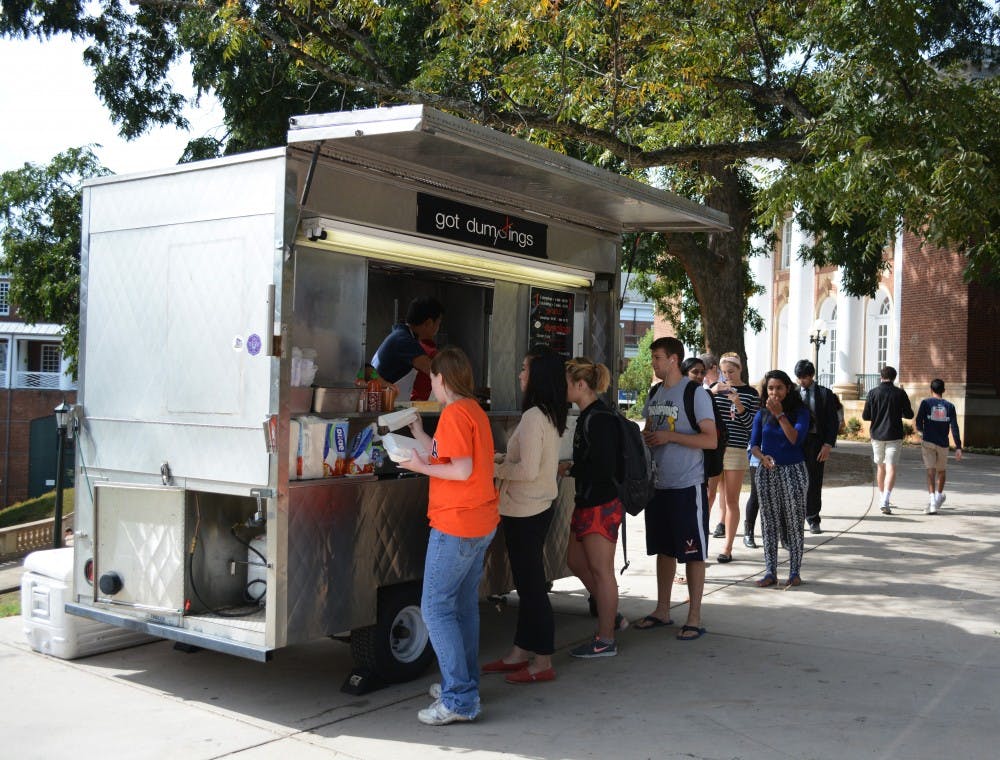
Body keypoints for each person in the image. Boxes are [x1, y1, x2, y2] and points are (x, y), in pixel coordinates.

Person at [397, 346, 498, 725]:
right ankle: (464, 684)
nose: (432, 386)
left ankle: (459, 698)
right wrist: (421, 437)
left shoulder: (456, 413)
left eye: (434, 379)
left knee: (436, 609)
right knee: (462, 607)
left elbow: (460, 471)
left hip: (456, 525)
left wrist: (417, 467)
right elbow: (448, 458)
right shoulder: (472, 411)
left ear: (442, 378)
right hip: (480, 521)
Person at [487, 346, 567, 683]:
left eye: (525, 369)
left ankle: (542, 660)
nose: (520, 374)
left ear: (538, 377)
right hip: (532, 507)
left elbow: (527, 470)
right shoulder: (546, 414)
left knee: (532, 588)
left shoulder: (535, 416)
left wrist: (495, 465)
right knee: (526, 584)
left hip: (527, 509)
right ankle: (520, 651)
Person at [634, 337, 717, 640]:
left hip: (687, 484)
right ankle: (662, 609)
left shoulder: (695, 393)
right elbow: (651, 428)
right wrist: (647, 436)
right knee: (664, 549)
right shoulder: (655, 392)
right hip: (658, 484)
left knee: (693, 552)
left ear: (673, 359)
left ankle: (694, 616)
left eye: (657, 357)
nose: (653, 362)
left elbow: (711, 439)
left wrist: (671, 437)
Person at [561, 356, 627, 658]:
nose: (563, 389)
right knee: (575, 559)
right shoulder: (590, 415)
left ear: (581, 384)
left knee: (603, 573)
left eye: (567, 384)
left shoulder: (598, 418)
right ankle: (608, 613)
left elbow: (603, 467)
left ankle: (606, 639)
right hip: (588, 501)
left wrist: (570, 469)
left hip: (601, 503)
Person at [749, 369, 810, 588]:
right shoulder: (761, 413)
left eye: (779, 388)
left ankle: (794, 571)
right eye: (770, 388)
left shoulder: (800, 412)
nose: (774, 393)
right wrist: (761, 457)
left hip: (793, 471)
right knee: (768, 522)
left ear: (788, 389)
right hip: (768, 471)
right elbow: (754, 445)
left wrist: (780, 415)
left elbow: (795, 438)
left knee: (794, 522)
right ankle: (770, 571)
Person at [793, 359, 840, 534]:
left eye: (804, 377)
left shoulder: (824, 394)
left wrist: (827, 444)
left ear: (811, 376)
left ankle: (813, 517)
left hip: (816, 442)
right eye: (798, 377)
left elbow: (832, 422)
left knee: (814, 480)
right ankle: (795, 516)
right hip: (796, 441)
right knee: (796, 480)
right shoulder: (794, 393)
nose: (801, 381)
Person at [862, 365, 914, 514]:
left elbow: (866, 416)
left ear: (881, 376)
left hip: (877, 434)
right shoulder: (900, 393)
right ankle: (886, 498)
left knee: (880, 467)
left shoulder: (872, 393)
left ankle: (882, 497)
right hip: (894, 434)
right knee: (891, 467)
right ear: (894, 377)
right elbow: (909, 414)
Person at [370, 296, 444, 401]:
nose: (437, 329)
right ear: (428, 323)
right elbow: (434, 370)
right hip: (380, 404)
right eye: (438, 324)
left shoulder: (400, 335)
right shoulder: (404, 340)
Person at [915, 379, 963, 514]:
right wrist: (958, 447)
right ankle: (937, 497)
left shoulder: (925, 403)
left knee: (930, 471)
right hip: (943, 443)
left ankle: (932, 502)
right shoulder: (950, 406)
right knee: (941, 471)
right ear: (944, 390)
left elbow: (918, 421)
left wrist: (922, 433)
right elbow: (954, 427)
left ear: (931, 389)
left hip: (928, 441)